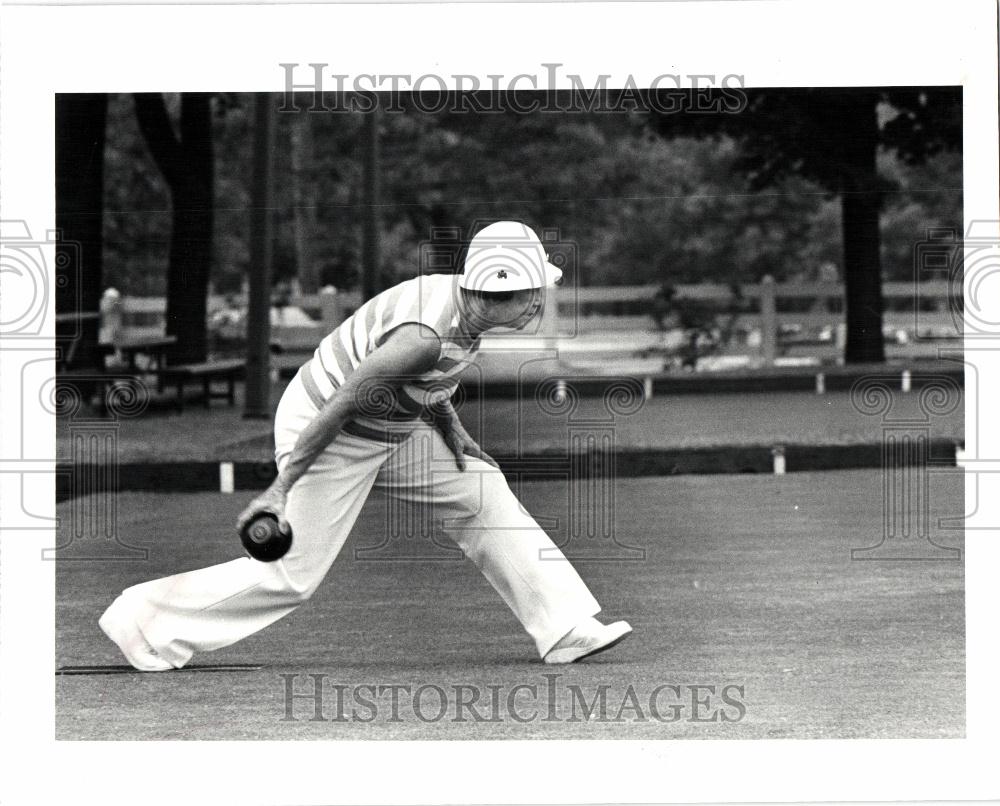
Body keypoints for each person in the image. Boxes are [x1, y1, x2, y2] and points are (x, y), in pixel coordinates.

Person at [98, 221, 632, 671]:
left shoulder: (464, 311)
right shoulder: (421, 336)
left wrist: (452, 431)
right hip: (331, 430)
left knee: (480, 488)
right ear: (490, 290)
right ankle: (144, 622)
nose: (537, 306)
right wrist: (280, 489)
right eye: (528, 296)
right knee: (291, 575)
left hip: (390, 429)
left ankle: (564, 628)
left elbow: (427, 383)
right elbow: (346, 401)